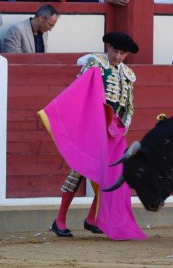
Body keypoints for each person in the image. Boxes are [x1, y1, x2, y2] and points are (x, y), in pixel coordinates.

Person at [47, 32, 146, 240]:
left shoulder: (128, 74)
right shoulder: (95, 64)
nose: (117, 56)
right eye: (115, 51)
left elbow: (129, 105)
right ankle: (59, 221)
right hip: (92, 127)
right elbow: (81, 91)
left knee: (110, 175)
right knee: (78, 171)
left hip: (113, 131)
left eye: (122, 53)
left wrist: (124, 126)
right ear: (108, 48)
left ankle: (92, 219)